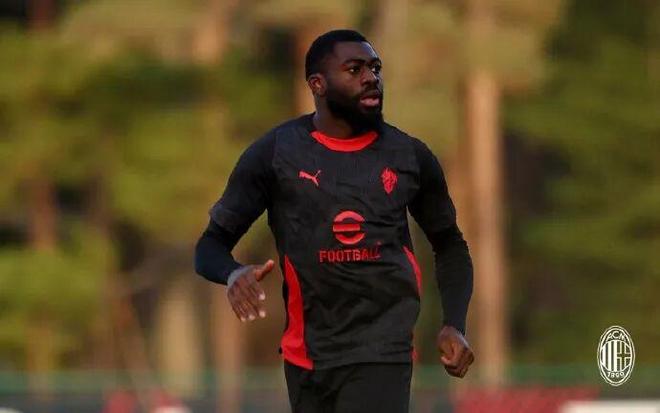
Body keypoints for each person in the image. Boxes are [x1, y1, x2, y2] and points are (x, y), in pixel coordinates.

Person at [195, 29, 474, 413]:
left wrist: (454, 323)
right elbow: (209, 246)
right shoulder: (275, 153)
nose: (371, 78)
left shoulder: (409, 156)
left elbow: (451, 245)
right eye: (355, 69)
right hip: (306, 357)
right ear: (318, 84)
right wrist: (232, 273)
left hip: (382, 350)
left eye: (375, 68)